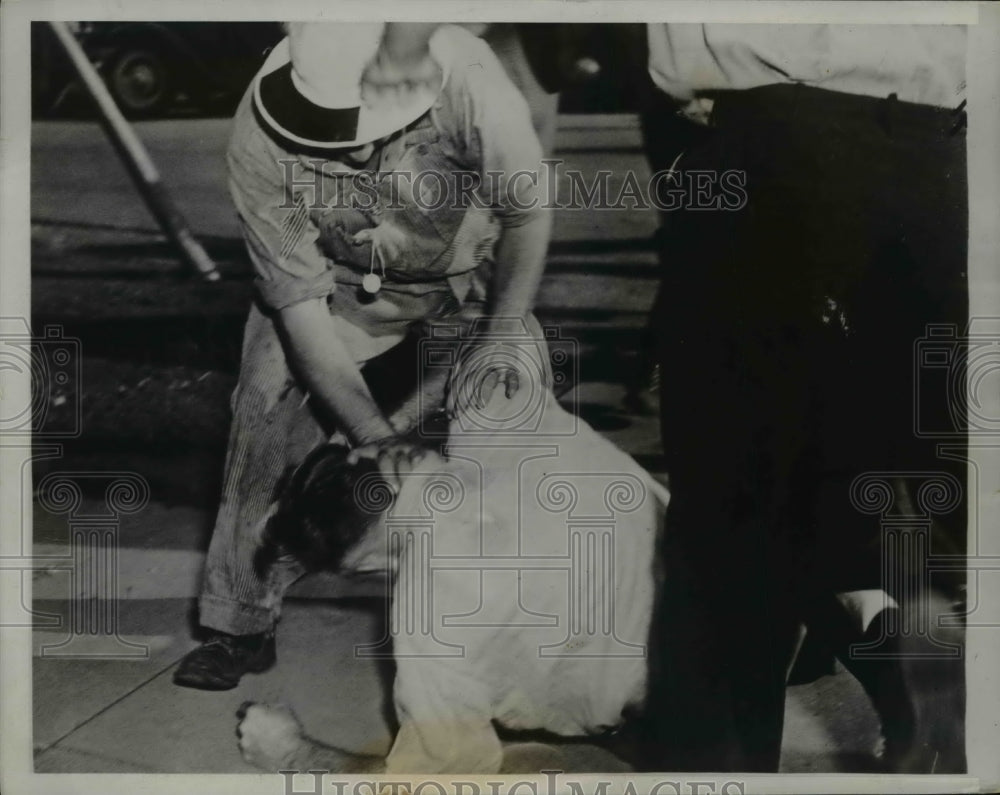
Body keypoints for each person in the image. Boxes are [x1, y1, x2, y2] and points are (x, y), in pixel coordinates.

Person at [174, 21, 552, 691]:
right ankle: (239, 621)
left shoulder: (473, 84)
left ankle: (523, 625)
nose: (347, 159)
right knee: (263, 401)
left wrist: (499, 334)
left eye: (357, 138)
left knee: (512, 419)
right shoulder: (256, 136)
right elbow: (300, 314)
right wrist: (376, 439)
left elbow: (526, 215)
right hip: (335, 289)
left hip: (466, 285)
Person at [634, 24, 968, 773]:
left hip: (768, 144)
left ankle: (712, 765)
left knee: (732, 515)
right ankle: (932, 662)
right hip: (933, 155)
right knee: (908, 482)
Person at [234, 387, 669, 774]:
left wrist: (294, 755)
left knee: (520, 759)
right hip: (720, 592)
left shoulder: (432, 619)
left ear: (362, 566)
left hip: (698, 714)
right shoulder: (497, 419)